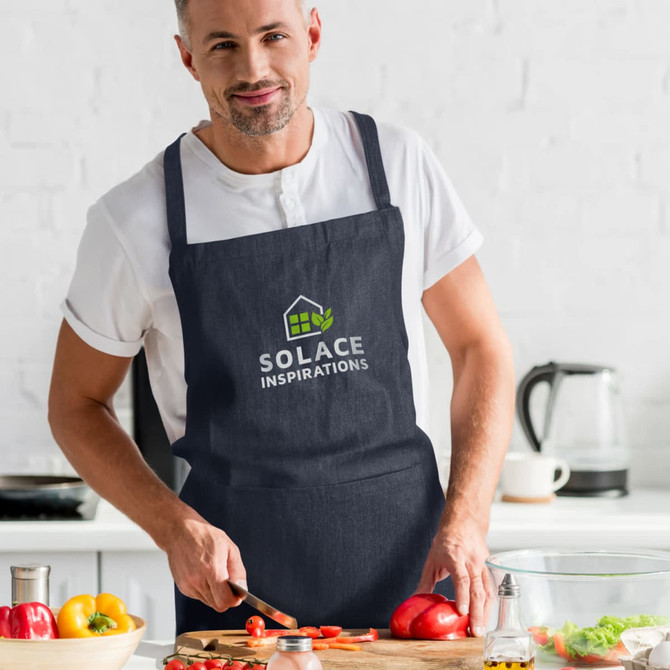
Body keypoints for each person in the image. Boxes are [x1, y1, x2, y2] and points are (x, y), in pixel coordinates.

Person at [48, 0, 515, 637]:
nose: (254, 68)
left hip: (417, 586)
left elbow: (480, 346)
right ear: (187, 55)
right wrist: (171, 524)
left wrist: (467, 520)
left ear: (313, 34)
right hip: (240, 602)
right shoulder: (134, 220)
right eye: (222, 46)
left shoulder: (400, 165)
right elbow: (75, 403)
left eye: (274, 36)